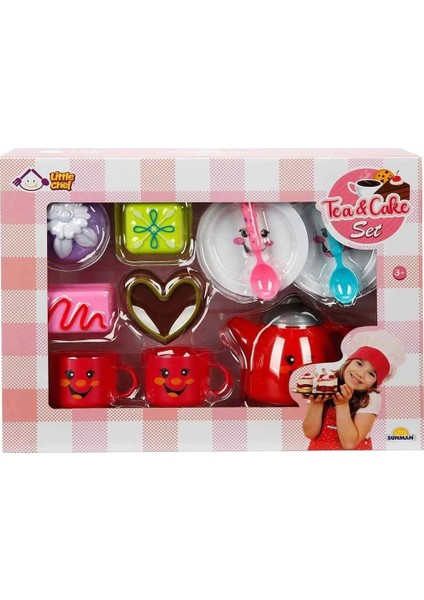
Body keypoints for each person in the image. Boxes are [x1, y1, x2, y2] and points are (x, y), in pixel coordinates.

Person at [302, 330, 405, 450]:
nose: (360, 374)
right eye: (359, 364)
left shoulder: (370, 398)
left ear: (375, 383)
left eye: (371, 373)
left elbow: (349, 444)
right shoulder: (325, 383)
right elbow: (310, 433)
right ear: (348, 362)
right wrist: (316, 403)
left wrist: (342, 405)